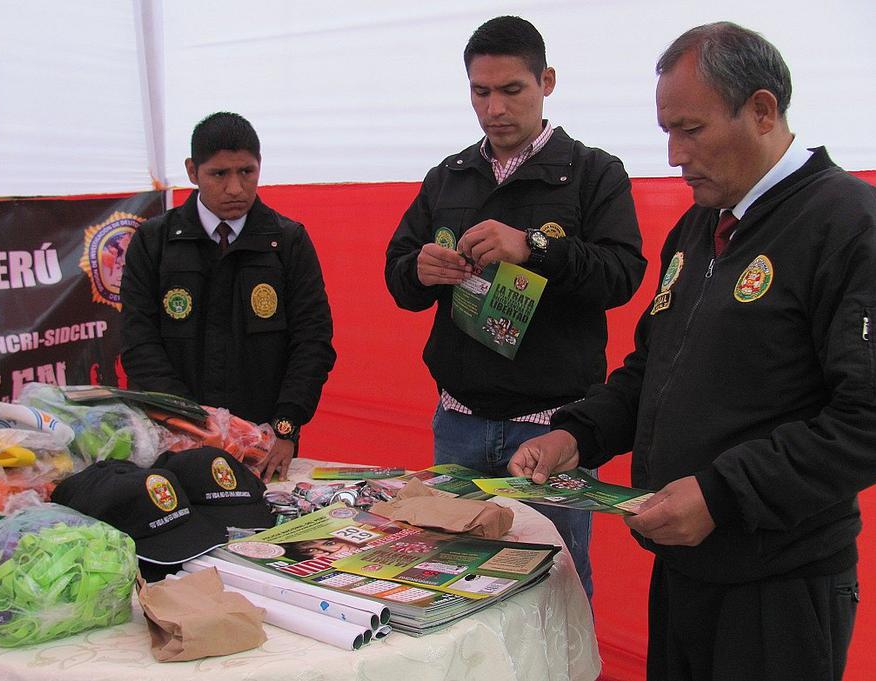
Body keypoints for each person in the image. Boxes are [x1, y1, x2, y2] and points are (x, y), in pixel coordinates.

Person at [509, 22, 876, 681]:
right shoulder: (697, 227)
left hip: (779, 587)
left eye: (692, 129)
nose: (675, 156)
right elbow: (651, 368)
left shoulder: (849, 223)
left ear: (761, 111)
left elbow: (866, 418)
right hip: (683, 572)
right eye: (666, 132)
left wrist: (723, 493)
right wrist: (576, 435)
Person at [384, 15, 645, 600]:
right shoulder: (447, 177)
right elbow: (398, 278)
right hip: (458, 421)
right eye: (481, 92)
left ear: (546, 81)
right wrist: (419, 270)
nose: (495, 108)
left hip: (555, 429)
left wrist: (535, 247)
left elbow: (623, 274)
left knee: (554, 589)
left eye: (511, 90)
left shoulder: (593, 172)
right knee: (451, 585)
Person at [120, 112, 336, 483]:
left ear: (259, 166)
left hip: (265, 446)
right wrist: (189, 424)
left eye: (247, 172)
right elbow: (140, 344)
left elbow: (312, 342)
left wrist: (285, 428)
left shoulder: (288, 241)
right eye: (219, 174)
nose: (235, 188)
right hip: (177, 441)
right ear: (193, 171)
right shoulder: (154, 242)